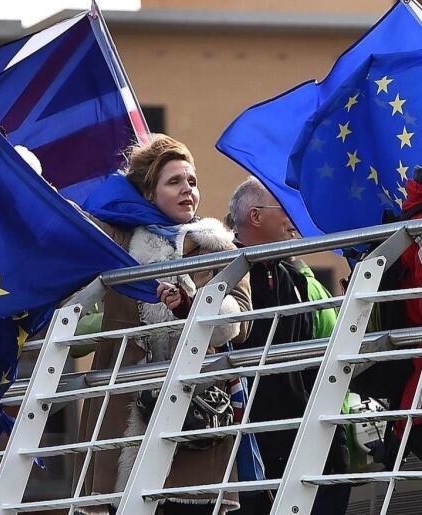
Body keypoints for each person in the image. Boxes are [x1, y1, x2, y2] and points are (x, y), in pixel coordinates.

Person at [76, 134, 252, 515]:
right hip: (122, 404)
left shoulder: (221, 248)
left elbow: (242, 320)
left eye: (192, 181)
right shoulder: (118, 238)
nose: (188, 189)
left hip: (194, 410)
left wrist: (193, 306)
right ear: (149, 193)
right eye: (174, 181)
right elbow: (66, 237)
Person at [227, 176, 348, 514]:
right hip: (252, 448)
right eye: (284, 207)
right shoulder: (221, 272)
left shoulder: (294, 275)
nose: (293, 218)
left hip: (309, 440)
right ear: (255, 216)